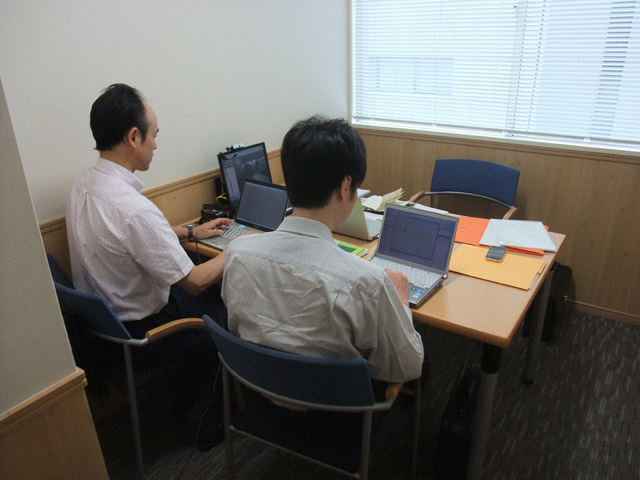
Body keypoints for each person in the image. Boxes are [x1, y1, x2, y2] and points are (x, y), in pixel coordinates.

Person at [66, 83, 227, 447]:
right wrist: (238, 248)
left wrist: (190, 231)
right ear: (134, 137)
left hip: (103, 330)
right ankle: (204, 422)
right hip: (141, 335)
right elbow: (195, 280)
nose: (156, 144)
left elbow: (127, 237)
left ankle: (190, 397)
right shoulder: (134, 209)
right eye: (154, 134)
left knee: (203, 302)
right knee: (223, 316)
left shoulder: (82, 186)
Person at [222, 115, 425, 391]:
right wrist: (401, 303)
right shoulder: (368, 283)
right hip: (339, 413)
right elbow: (408, 366)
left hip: (257, 398)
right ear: (345, 186)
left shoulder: (237, 254)